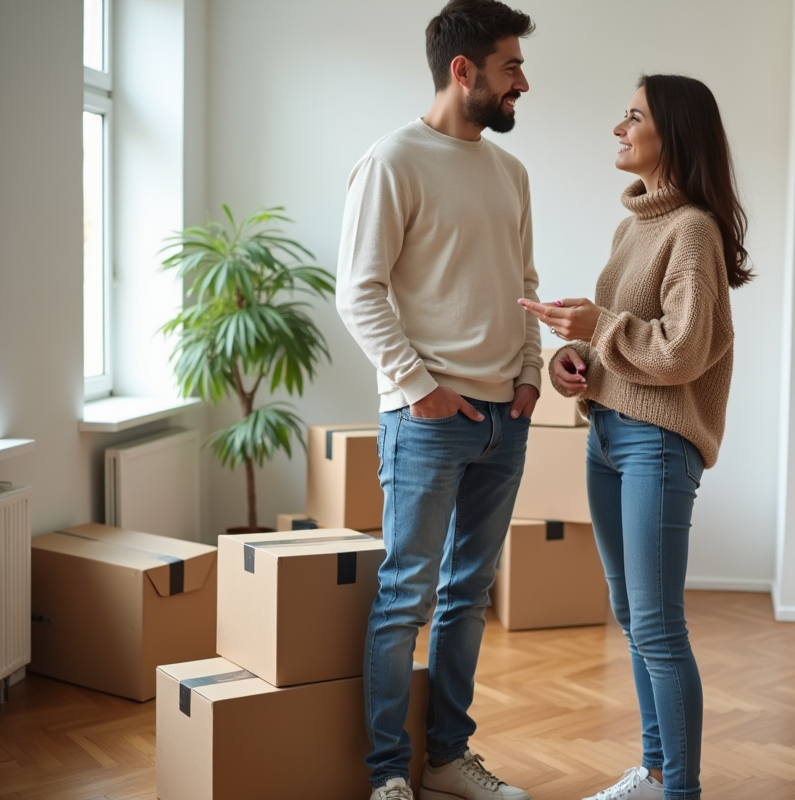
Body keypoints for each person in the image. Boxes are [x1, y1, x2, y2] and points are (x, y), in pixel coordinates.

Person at [519, 74, 752, 800]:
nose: (618, 130)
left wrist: (599, 328)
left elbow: (684, 350)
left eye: (633, 117)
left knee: (656, 626)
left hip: (656, 444)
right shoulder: (633, 229)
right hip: (609, 439)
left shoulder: (694, 230)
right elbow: (629, 350)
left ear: (672, 134)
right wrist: (576, 363)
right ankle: (654, 773)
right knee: (633, 618)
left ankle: (679, 790)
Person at [335, 2, 540, 799]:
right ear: (465, 72)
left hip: (504, 418)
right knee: (404, 598)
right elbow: (359, 292)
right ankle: (390, 774)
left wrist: (528, 376)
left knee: (468, 595)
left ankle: (447, 759)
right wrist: (419, 390)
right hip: (427, 420)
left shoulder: (511, 172)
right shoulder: (393, 160)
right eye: (511, 67)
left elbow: (523, 285)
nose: (523, 81)